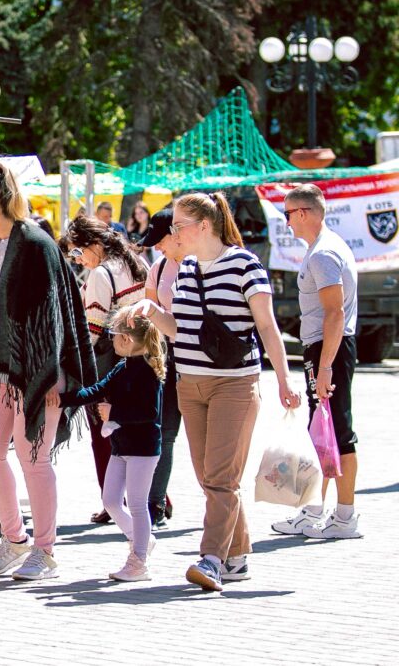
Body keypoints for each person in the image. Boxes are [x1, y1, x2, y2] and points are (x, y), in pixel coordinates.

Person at [131, 192, 301, 592]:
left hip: (234, 385)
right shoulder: (186, 267)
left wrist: (284, 378)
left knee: (222, 478)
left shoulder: (246, 265)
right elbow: (183, 329)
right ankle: (237, 557)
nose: (173, 234)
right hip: (189, 385)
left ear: (202, 226)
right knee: (211, 477)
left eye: (178, 226)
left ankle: (210, 559)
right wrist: (154, 315)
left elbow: (268, 327)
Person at [0, 162, 96, 581]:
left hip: (36, 373)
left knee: (33, 459)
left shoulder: (37, 244)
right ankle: (15, 539)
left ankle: (46, 550)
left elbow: (53, 318)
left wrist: (52, 376)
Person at [272, 184, 362, 539]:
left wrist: (324, 367)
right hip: (328, 349)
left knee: (336, 431)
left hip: (330, 349)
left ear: (305, 213)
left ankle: (342, 517)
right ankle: (314, 512)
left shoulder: (323, 254)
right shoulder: (325, 247)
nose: (287, 222)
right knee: (323, 431)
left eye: (288, 214)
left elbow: (334, 314)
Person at [56, 305, 165, 581]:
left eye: (113, 335)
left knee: (138, 504)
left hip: (142, 449)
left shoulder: (148, 372)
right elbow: (96, 390)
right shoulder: (122, 366)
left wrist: (113, 413)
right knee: (111, 500)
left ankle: (139, 561)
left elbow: (149, 413)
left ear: (126, 340)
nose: (110, 340)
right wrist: (62, 398)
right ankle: (142, 540)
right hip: (121, 446)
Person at [60, 215, 148, 524]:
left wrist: (75, 363)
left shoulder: (100, 273)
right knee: (143, 429)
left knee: (104, 433)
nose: (78, 259)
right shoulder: (136, 262)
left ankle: (113, 502)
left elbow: (94, 329)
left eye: (78, 252)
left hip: (109, 363)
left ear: (94, 246)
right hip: (146, 358)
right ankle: (154, 496)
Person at [139, 210, 182, 529]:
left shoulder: (202, 264)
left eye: (161, 241)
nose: (159, 247)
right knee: (165, 433)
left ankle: (218, 502)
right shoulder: (159, 267)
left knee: (205, 440)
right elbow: (151, 318)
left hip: (202, 362)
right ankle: (155, 501)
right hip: (167, 360)